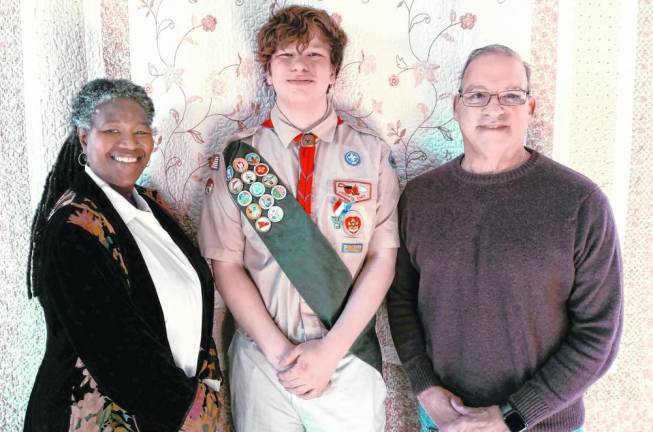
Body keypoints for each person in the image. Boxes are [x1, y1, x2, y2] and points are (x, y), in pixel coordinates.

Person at [387, 44, 623, 432]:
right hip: (445, 422)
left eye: (511, 96)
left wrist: (513, 416)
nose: (493, 109)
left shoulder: (580, 202)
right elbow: (400, 302)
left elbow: (600, 334)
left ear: (530, 108)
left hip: (544, 424)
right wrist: (425, 388)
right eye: (478, 95)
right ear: (456, 105)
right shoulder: (419, 198)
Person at [198, 5, 400, 431]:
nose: (299, 66)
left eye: (314, 55)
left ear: (334, 71)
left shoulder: (371, 153)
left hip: (348, 354)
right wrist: (278, 353)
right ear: (267, 73)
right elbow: (226, 265)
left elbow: (383, 259)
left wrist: (329, 352)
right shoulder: (240, 156)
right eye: (285, 56)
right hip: (263, 358)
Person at [24, 79, 222, 432]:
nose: (129, 144)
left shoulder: (154, 207)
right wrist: (194, 411)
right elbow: (119, 353)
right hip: (93, 419)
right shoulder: (74, 228)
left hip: (168, 411)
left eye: (140, 131)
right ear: (85, 138)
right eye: (112, 129)